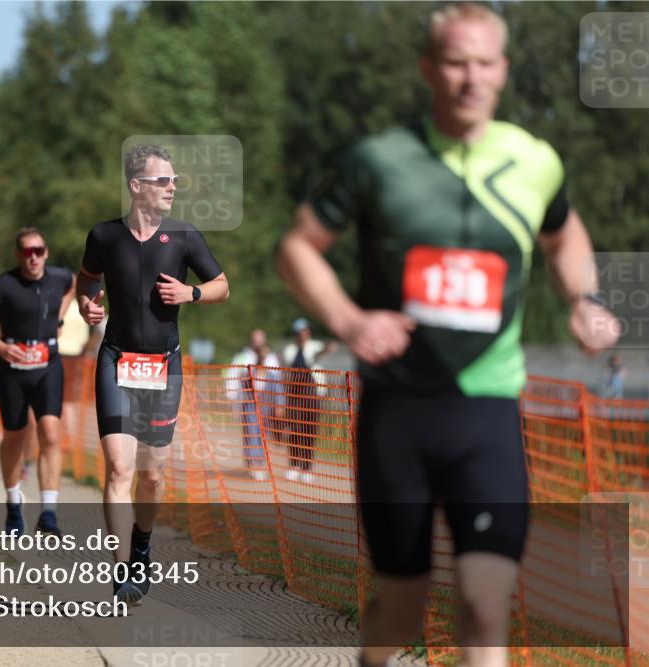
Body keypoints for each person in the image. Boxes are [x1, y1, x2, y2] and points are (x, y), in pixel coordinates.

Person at [275, 4, 620, 666]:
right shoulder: (379, 161)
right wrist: (349, 319)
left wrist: (584, 297)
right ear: (428, 69)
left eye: (485, 63)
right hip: (397, 414)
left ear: (504, 70)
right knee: (401, 608)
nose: (471, 78)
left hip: (487, 412)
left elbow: (563, 233)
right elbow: (296, 247)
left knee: (484, 607)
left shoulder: (534, 160)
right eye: (456, 63)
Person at [77, 143, 229, 604]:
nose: (172, 187)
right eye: (163, 180)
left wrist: (191, 293)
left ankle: (142, 544)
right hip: (116, 362)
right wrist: (86, 302)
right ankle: (122, 570)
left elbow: (222, 286)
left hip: (164, 367)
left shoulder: (184, 236)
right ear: (136, 186)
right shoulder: (105, 236)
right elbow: (87, 276)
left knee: (152, 476)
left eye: (174, 180)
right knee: (119, 468)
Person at [0, 227, 76, 537]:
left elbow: (73, 284)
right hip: (13, 368)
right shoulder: (4, 284)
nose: (34, 258)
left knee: (50, 433)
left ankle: (49, 513)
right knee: (15, 437)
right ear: (18, 254)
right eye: (28, 252)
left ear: (46, 253)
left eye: (39, 251)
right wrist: (0, 347)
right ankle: (14, 502)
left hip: (48, 365)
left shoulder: (58, 277)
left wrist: (59, 317)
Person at [281, 318, 337, 483]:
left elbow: (323, 352)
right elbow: (297, 364)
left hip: (313, 395)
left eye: (304, 331)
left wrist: (325, 349)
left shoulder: (316, 345)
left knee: (309, 431)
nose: (302, 334)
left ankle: (306, 467)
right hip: (295, 395)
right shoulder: (290, 349)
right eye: (299, 332)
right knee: (294, 430)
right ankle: (294, 465)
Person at [227, 329, 283, 481]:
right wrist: (234, 403)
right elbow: (237, 382)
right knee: (251, 434)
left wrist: (279, 404)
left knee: (262, 436)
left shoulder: (271, 361)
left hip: (266, 405)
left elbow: (277, 384)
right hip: (250, 404)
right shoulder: (244, 359)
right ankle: (252, 464)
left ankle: (259, 463)